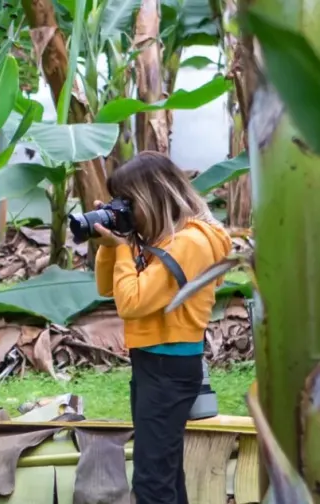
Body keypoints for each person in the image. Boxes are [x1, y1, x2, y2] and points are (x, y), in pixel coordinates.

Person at [92, 151, 232, 504]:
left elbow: (132, 303)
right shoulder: (171, 240)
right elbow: (108, 288)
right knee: (165, 472)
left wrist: (122, 248)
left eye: (128, 203)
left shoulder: (191, 243)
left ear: (152, 197)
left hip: (169, 369)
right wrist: (114, 239)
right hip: (153, 365)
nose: (127, 210)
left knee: (152, 479)